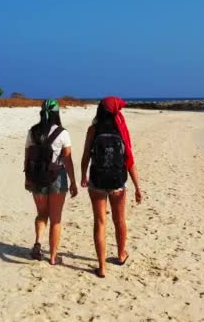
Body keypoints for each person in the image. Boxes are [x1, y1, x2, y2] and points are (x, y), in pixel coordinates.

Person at [81, 96, 142, 278]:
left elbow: (86, 156)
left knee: (100, 222)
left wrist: (83, 175)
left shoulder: (93, 130)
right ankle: (121, 254)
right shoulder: (121, 130)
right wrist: (138, 187)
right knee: (119, 220)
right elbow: (129, 160)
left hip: (97, 182)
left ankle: (102, 267)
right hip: (118, 183)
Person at [24, 99, 78, 265]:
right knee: (56, 219)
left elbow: (27, 157)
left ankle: (38, 244)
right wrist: (73, 182)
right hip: (57, 178)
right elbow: (67, 160)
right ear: (57, 113)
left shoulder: (32, 132)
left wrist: (27, 178)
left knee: (41, 214)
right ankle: (53, 256)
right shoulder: (62, 133)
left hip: (37, 178)